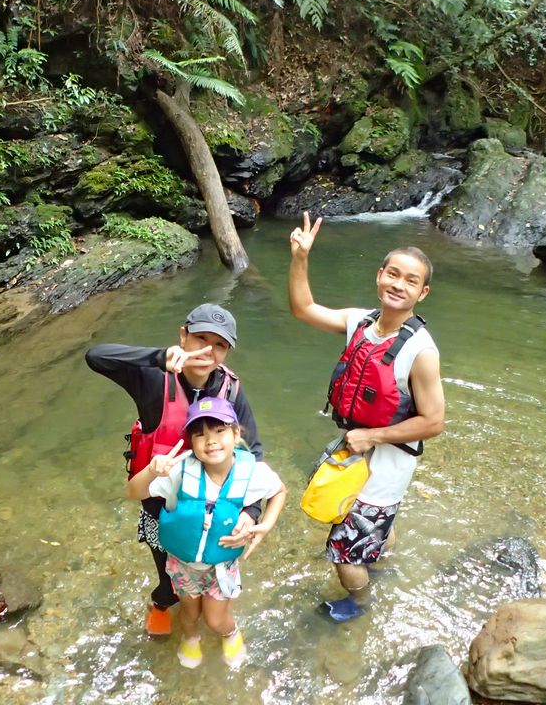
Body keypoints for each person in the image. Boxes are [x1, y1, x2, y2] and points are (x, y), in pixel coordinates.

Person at [288, 212, 446, 622]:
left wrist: (372, 437)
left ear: (422, 293)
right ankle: (379, 553)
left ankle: (360, 605)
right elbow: (303, 308)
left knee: (343, 551)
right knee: (360, 522)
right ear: (379, 276)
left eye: (411, 281)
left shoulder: (421, 352)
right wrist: (301, 257)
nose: (399, 285)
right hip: (356, 446)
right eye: (393, 274)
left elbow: (434, 421)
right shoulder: (359, 321)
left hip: (387, 460)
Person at [85, 303, 266, 637]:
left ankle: (212, 615)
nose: (207, 351)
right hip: (159, 504)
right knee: (168, 572)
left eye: (220, 345)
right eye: (200, 338)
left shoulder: (231, 390)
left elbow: (252, 451)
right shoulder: (154, 379)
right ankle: (161, 601)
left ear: (227, 352)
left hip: (212, 503)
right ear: (183, 336)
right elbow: (97, 356)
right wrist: (157, 357)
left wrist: (252, 512)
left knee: (210, 567)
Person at [126, 397, 287, 669]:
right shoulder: (180, 471)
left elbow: (279, 491)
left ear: (237, 434)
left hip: (221, 565)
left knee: (215, 618)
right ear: (191, 442)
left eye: (219, 431)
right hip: (183, 564)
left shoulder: (254, 473)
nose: (210, 440)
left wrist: (266, 525)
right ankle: (190, 637)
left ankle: (230, 632)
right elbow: (133, 493)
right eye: (199, 434)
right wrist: (152, 471)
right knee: (189, 613)